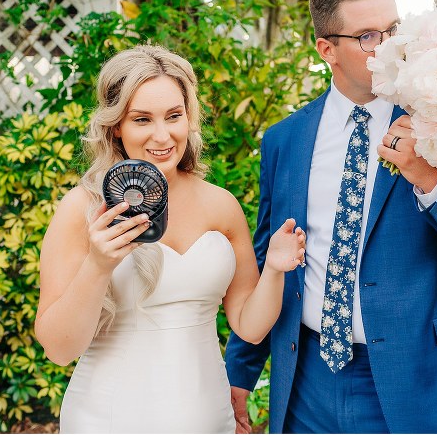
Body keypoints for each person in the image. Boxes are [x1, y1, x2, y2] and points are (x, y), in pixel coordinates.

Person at [224, 0, 437, 434]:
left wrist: (431, 181)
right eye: (367, 37)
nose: (389, 47)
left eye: (393, 30)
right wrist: (240, 370)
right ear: (327, 50)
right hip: (309, 384)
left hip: (426, 381)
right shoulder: (285, 140)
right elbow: (270, 258)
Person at [35, 44, 307, 433]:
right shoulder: (82, 208)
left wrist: (277, 269)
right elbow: (59, 350)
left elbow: (249, 327)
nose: (162, 136)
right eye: (142, 119)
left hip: (207, 416)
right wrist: (99, 264)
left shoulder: (221, 205)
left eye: (174, 116)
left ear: (189, 118)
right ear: (116, 127)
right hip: (110, 416)